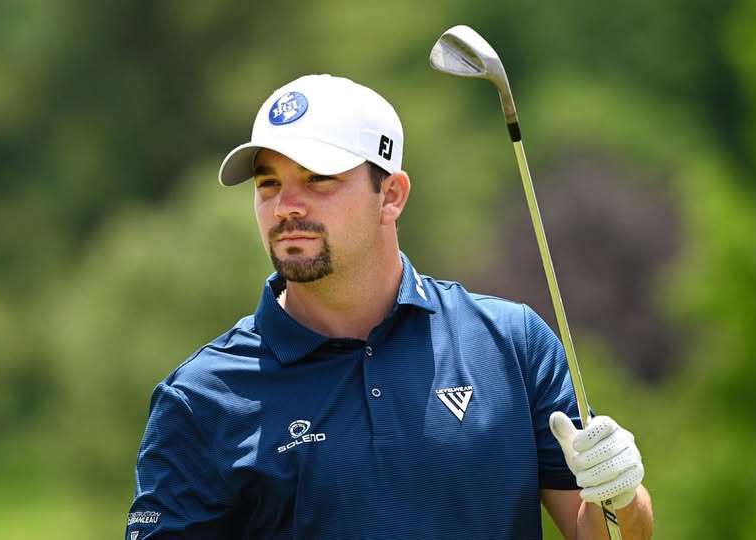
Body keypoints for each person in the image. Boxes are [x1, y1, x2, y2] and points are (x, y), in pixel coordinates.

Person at [126, 74, 653, 539]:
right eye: (269, 184)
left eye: (318, 179)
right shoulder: (203, 398)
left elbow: (603, 534)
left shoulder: (512, 344)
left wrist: (622, 496)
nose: (286, 206)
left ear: (391, 195)